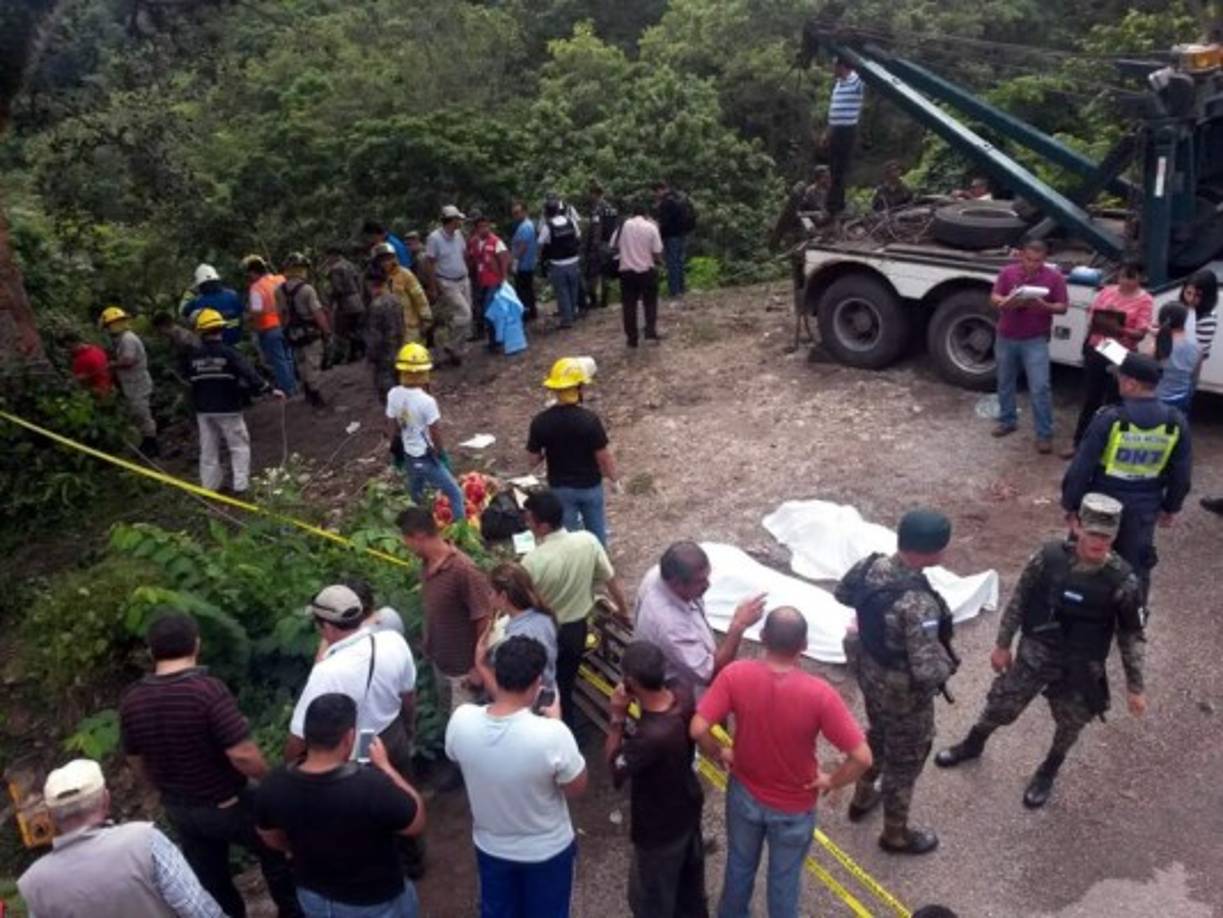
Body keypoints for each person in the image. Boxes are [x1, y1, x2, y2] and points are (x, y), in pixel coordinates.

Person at [935, 494, 1147, 808]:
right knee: (1003, 704)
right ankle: (974, 742)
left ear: (1115, 536)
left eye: (1106, 535)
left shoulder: (1123, 581)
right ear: (1076, 526)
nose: (1098, 541)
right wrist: (1003, 644)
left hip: (1081, 664)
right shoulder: (1048, 558)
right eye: (1092, 532)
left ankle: (1049, 769)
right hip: (1037, 650)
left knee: (1070, 722)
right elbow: (1020, 599)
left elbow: (1131, 635)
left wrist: (1135, 687)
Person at [691, 608, 872, 918]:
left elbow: (697, 728)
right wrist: (831, 781)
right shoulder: (820, 695)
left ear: (762, 638)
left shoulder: (736, 675)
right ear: (803, 645)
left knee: (739, 865)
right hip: (794, 805)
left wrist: (720, 751)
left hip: (745, 792)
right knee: (784, 880)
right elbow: (863, 758)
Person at [119, 613, 298, 917]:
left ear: (151, 651)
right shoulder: (207, 691)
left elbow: (135, 759)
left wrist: (159, 787)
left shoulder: (132, 700)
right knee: (276, 850)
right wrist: (270, 780)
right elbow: (242, 754)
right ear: (196, 645)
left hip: (180, 808)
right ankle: (292, 912)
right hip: (227, 802)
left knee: (212, 879)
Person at [834, 509, 957, 855]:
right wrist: (947, 667)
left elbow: (842, 594)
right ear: (932, 551)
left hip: (870, 674)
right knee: (905, 760)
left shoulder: (869, 566)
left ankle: (862, 797)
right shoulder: (918, 603)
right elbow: (926, 670)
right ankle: (895, 835)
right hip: (902, 693)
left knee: (878, 734)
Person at [445, 635, 587, 918]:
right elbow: (576, 787)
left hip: (491, 847)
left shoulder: (461, 720)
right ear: (537, 683)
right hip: (547, 851)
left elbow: (456, 757)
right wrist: (556, 724)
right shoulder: (552, 734)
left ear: (497, 674)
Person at [257, 693, 426, 918]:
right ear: (349, 738)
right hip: (375, 899)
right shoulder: (371, 786)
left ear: (307, 734)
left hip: (313, 896)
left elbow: (271, 838)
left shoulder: (273, 784)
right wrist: (386, 767)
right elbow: (416, 822)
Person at [18, 758, 225, 918]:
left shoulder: (35, 883)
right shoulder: (145, 841)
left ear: (51, 817)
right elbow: (199, 910)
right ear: (105, 800)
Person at [1062, 352, 1191, 603]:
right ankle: (1132, 624)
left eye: (1120, 378)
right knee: (1135, 570)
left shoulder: (1110, 418)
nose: (1118, 382)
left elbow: (1082, 467)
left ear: (1131, 384)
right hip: (1144, 508)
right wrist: (1171, 507)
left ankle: (1075, 609)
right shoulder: (1175, 423)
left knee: (1083, 561)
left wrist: (1071, 505)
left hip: (1101, 504)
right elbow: (1182, 473)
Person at [606, 641, 707, 918]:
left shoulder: (650, 738)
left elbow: (616, 768)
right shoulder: (683, 694)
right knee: (690, 892)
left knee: (651, 900)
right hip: (687, 806)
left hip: (658, 828)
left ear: (630, 682)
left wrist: (617, 717)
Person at [521, 488, 631, 728]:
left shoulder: (532, 562)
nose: (527, 524)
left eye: (529, 520)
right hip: (577, 630)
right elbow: (610, 579)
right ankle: (567, 718)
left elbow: (525, 605)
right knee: (567, 677)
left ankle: (558, 725)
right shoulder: (587, 541)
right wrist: (623, 611)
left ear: (543, 526)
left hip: (547, 632)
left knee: (549, 683)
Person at [633, 541, 767, 699]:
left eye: (707, 577)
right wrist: (738, 626)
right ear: (676, 583)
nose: (708, 585)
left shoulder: (660, 576)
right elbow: (710, 675)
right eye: (700, 581)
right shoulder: (669, 624)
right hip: (680, 695)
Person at [398, 507, 492, 716]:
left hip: (463, 671)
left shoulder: (464, 571)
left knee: (464, 726)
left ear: (419, 537)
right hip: (441, 662)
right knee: (446, 715)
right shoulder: (427, 564)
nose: (406, 546)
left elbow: (484, 617)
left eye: (407, 540)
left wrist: (478, 666)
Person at [185, 308, 283, 494]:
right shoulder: (229, 353)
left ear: (200, 331)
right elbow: (250, 374)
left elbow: (189, 381)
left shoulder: (193, 356)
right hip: (228, 407)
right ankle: (241, 486)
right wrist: (269, 390)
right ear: (221, 329)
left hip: (203, 409)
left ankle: (209, 487)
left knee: (208, 449)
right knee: (238, 446)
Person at [527, 357, 620, 544]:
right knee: (597, 532)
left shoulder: (540, 422)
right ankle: (600, 566)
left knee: (568, 538)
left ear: (554, 389)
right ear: (578, 388)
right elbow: (603, 457)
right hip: (590, 486)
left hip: (560, 489)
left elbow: (533, 460)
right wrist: (614, 478)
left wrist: (548, 451)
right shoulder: (589, 420)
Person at [990, 238, 1069, 453]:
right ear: (1021, 255)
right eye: (1029, 259)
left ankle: (1044, 434)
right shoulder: (1007, 273)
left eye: (1038, 261)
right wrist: (1004, 301)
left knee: (1040, 387)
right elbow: (994, 296)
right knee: (1005, 381)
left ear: (1045, 259)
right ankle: (1007, 420)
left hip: (1035, 339)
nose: (1033, 264)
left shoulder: (1054, 277)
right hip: (1006, 336)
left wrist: (1044, 306)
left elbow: (1063, 307)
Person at [1068, 259, 1153, 451]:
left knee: (1114, 401)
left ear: (1140, 278)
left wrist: (1119, 328)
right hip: (1099, 345)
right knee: (1091, 397)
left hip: (1120, 350)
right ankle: (1079, 443)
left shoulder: (1145, 300)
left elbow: (1140, 333)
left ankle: (1107, 447)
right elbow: (1092, 315)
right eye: (1123, 276)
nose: (1125, 282)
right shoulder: (1107, 291)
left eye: (1131, 277)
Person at [385, 342, 467, 521]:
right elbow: (435, 432)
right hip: (426, 455)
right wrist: (441, 454)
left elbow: (391, 424)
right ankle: (462, 530)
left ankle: (417, 526)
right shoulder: (427, 401)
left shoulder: (393, 394)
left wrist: (394, 448)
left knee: (416, 495)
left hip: (408, 453)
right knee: (455, 493)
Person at [480, 561, 559, 690]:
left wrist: (481, 664)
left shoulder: (516, 640)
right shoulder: (543, 618)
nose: (489, 598)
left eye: (491, 593)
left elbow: (508, 694)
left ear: (503, 596)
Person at [100, 306, 159, 456]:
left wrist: (111, 365)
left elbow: (128, 360)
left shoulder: (127, 339)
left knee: (142, 413)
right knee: (137, 413)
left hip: (137, 382)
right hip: (132, 383)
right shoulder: (123, 338)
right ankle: (146, 442)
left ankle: (151, 445)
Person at [276, 252, 331, 409]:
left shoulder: (279, 291)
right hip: (310, 331)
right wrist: (326, 330)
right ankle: (316, 396)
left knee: (300, 361)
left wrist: (285, 331)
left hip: (292, 332)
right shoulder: (307, 289)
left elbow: (282, 314)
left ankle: (307, 391)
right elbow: (317, 312)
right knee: (312, 362)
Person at [611, 199, 664, 348]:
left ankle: (632, 338)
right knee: (650, 303)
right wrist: (660, 263)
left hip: (627, 272)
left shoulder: (623, 226)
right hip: (647, 270)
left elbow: (613, 245)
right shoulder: (651, 227)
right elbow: (657, 251)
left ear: (632, 214)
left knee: (629, 306)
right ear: (646, 214)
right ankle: (650, 332)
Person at [424, 205, 473, 364]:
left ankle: (456, 350)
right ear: (450, 220)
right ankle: (449, 344)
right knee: (465, 315)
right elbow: (430, 263)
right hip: (447, 281)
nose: (460, 222)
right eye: (458, 219)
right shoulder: (434, 238)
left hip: (463, 279)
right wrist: (433, 287)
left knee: (466, 316)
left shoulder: (459, 235)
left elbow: (463, 254)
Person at [242, 254, 296, 396]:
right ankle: (294, 387)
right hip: (287, 324)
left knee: (279, 362)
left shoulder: (256, 287)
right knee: (289, 358)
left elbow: (257, 311)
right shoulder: (280, 279)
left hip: (269, 328)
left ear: (254, 272)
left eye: (250, 274)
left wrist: (250, 321)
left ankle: (288, 390)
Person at [373, 241, 433, 351]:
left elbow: (419, 297)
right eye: (382, 260)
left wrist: (426, 318)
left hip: (410, 328)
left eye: (388, 259)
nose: (386, 263)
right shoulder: (378, 281)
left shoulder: (405, 274)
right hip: (390, 330)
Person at [825, 57, 864, 216]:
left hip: (847, 130)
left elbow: (866, 77)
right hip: (835, 130)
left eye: (834, 65)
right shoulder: (838, 83)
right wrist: (827, 132)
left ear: (841, 66)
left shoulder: (856, 81)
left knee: (840, 167)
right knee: (832, 167)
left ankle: (836, 206)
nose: (832, 68)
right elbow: (833, 110)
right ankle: (834, 203)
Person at [539, 197, 583, 328]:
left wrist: (542, 258)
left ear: (546, 212)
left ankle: (567, 319)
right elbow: (578, 237)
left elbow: (540, 243)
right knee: (573, 289)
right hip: (574, 260)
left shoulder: (548, 226)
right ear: (558, 209)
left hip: (558, 263)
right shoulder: (571, 222)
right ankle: (573, 313)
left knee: (562, 291)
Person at [365, 265, 406, 402]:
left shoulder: (376, 305)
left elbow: (375, 336)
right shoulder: (395, 300)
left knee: (387, 388)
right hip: (399, 348)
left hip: (384, 353)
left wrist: (371, 356)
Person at [470, 215, 511, 347]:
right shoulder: (474, 242)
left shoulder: (496, 241)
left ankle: (498, 340)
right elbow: (471, 259)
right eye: (480, 227)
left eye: (486, 226)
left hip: (494, 281)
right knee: (485, 311)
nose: (484, 229)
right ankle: (493, 340)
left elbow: (504, 258)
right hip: (481, 282)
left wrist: (504, 279)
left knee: (491, 310)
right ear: (476, 229)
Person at [322, 244, 366, 365]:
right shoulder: (351, 265)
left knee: (344, 331)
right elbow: (360, 281)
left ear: (333, 255)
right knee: (357, 329)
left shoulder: (335, 268)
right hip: (358, 300)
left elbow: (338, 289)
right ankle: (360, 353)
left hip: (346, 303)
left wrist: (330, 297)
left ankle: (350, 356)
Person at [1153, 303, 1199, 414]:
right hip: (1181, 397)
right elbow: (1194, 375)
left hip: (1157, 398)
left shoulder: (1157, 346)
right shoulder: (1196, 345)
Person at [184, 264, 244, 346]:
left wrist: (189, 292)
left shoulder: (198, 301)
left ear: (200, 284)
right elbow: (241, 315)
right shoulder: (233, 295)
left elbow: (183, 311)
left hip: (213, 347)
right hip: (237, 342)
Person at [584, 181, 619, 311]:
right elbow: (615, 227)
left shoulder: (597, 210)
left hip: (599, 246)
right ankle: (604, 301)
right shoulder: (612, 209)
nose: (590, 197)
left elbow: (597, 230)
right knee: (606, 274)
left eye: (591, 194)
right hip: (610, 244)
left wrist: (593, 246)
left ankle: (594, 302)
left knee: (592, 274)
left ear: (595, 194)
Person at [654, 181, 689, 300]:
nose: (656, 195)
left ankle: (674, 291)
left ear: (660, 190)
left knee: (672, 263)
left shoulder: (666, 202)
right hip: (681, 234)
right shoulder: (678, 198)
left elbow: (663, 222)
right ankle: (681, 288)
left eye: (656, 192)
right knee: (679, 261)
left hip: (671, 236)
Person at [510, 201, 539, 322]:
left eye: (518, 212)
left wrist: (515, 260)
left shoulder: (526, 226)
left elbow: (523, 246)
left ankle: (527, 313)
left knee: (523, 291)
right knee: (527, 289)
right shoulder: (523, 225)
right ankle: (531, 312)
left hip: (524, 264)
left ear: (524, 212)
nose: (516, 215)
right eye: (514, 213)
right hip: (525, 264)